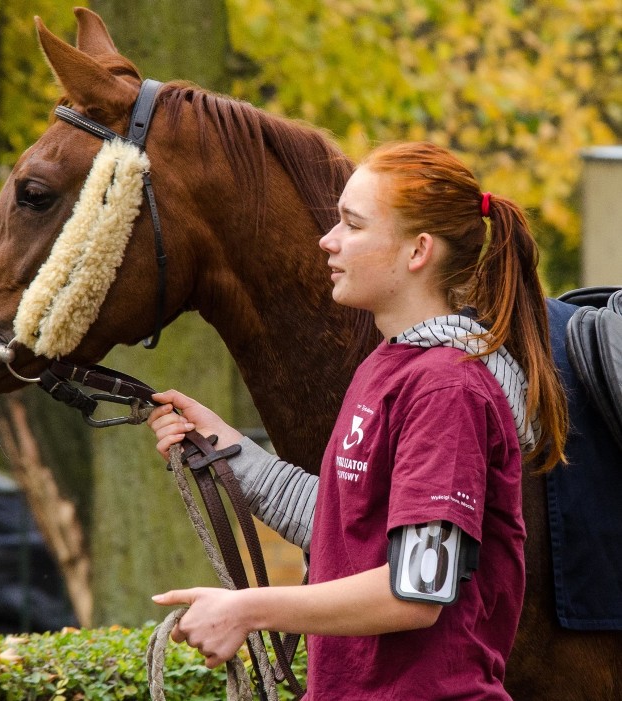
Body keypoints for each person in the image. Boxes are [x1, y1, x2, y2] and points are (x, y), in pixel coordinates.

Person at [147, 142, 568, 700]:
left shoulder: (447, 389)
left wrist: (248, 610)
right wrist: (225, 448)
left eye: (352, 223)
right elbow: (347, 527)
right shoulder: (387, 365)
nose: (328, 239)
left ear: (417, 251)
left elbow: (418, 590)